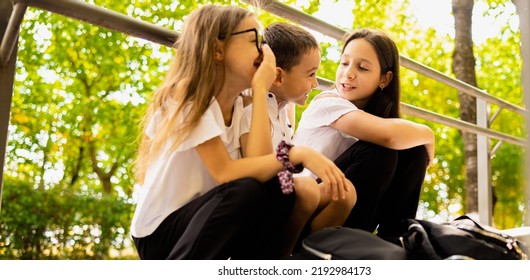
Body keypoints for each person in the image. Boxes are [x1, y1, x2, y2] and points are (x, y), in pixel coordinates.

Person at [130, 5, 348, 260]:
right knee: (244, 190)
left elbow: (262, 165)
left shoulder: (240, 103)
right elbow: (225, 172)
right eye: (255, 40)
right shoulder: (190, 96)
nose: (265, 51)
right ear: (217, 49)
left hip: (205, 222)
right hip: (161, 234)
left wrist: (259, 91)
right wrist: (298, 154)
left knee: (278, 190)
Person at [293, 28, 435, 241]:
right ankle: (355, 244)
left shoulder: (371, 116)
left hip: (343, 206)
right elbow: (388, 136)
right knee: (381, 151)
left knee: (413, 152)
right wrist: (429, 134)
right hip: (305, 211)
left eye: (362, 67)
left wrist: (422, 145)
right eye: (344, 63)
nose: (348, 73)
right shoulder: (327, 102)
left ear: (384, 80)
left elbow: (393, 136)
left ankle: (395, 240)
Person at [240, 22, 356, 256]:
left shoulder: (283, 108)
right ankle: (278, 260)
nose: (315, 84)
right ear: (279, 77)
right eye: (311, 75)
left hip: (280, 192)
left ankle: (307, 259)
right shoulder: (253, 105)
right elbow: (260, 165)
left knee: (344, 192)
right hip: (256, 202)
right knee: (307, 189)